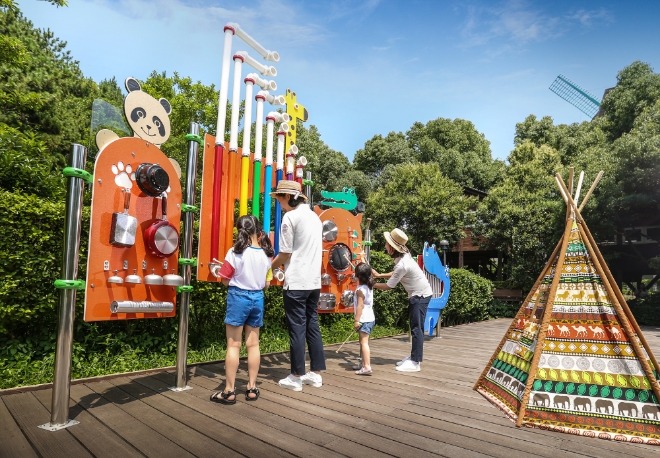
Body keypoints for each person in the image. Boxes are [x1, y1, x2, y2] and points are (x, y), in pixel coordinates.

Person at [210, 215, 273, 404]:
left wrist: (224, 271)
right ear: (258, 232)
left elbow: (225, 281)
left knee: (233, 345)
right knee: (253, 345)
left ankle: (229, 391)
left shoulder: (234, 252)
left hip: (238, 297)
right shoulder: (266, 254)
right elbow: (266, 284)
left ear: (239, 230)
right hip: (257, 298)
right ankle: (252, 387)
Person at [270, 180, 325, 391]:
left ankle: (295, 377)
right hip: (314, 282)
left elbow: (285, 253)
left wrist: (268, 266)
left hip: (296, 282)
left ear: (287, 197)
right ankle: (316, 374)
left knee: (297, 329)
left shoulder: (290, 217)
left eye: (280, 200)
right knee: (312, 325)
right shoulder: (315, 218)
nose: (280, 205)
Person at [372, 228, 432, 372]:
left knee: (417, 328)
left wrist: (371, 284)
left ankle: (415, 362)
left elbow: (389, 286)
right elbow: (397, 273)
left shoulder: (402, 264)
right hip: (419, 293)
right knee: (415, 327)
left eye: (387, 244)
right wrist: (379, 275)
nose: (385, 245)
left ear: (392, 248)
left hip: (420, 295)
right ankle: (413, 357)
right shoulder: (404, 256)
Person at [353, 262, 376, 375]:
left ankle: (367, 366)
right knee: (362, 342)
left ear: (358, 276)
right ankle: (363, 364)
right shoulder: (369, 286)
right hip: (370, 318)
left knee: (364, 343)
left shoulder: (360, 290)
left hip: (364, 319)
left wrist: (356, 320)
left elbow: (360, 306)